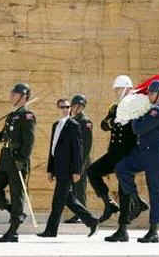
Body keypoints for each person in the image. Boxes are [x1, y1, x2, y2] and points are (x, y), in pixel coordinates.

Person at [105, 80, 159, 243]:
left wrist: (135, 115)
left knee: (155, 192)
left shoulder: (158, 111)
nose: (149, 95)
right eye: (148, 93)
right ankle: (136, 200)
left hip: (156, 156)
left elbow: (137, 129)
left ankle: (153, 231)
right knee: (122, 168)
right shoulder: (151, 109)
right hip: (143, 154)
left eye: (152, 93)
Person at [0, 83, 36, 243]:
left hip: (17, 160)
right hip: (5, 160)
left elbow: (29, 142)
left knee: (17, 195)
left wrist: (21, 160)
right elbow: (3, 136)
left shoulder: (27, 115)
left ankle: (13, 232)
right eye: (12, 93)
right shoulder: (12, 115)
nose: (11, 96)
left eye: (15, 93)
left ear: (23, 97)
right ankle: (16, 213)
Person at [87, 75, 148, 223]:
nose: (117, 92)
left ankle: (123, 225)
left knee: (123, 189)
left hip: (127, 153)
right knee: (92, 171)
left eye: (120, 89)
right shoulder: (115, 107)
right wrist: (112, 122)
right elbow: (103, 124)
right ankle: (109, 203)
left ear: (128, 88)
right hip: (113, 152)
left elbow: (140, 130)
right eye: (116, 89)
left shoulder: (136, 107)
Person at [37, 99, 98, 237]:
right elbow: (52, 149)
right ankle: (91, 221)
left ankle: (51, 230)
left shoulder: (74, 125)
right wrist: (50, 169)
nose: (64, 109)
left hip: (68, 169)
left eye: (67, 107)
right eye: (61, 107)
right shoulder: (55, 125)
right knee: (68, 199)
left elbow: (78, 149)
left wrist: (77, 170)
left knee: (58, 200)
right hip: (58, 168)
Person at [64, 94, 93, 223]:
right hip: (71, 160)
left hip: (81, 162)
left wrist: (80, 166)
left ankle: (83, 216)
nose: (76, 108)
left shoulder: (86, 122)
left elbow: (87, 145)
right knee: (74, 190)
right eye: (75, 105)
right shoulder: (71, 120)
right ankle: (78, 214)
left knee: (80, 189)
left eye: (79, 106)